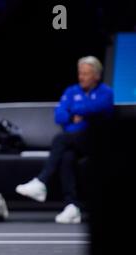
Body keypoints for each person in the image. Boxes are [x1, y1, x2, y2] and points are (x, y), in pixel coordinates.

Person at [15, 56, 113, 224]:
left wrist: (75, 110)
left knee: (60, 139)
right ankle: (72, 206)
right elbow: (59, 115)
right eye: (80, 73)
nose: (81, 77)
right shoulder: (71, 90)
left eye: (86, 74)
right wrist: (76, 114)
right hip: (74, 141)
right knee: (67, 156)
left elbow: (98, 108)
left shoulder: (106, 92)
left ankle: (41, 181)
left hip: (95, 141)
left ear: (96, 76)